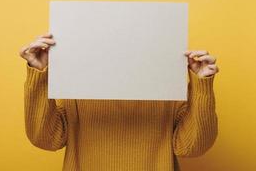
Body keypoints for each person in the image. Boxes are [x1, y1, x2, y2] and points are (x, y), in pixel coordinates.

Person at [19, 33, 219, 171]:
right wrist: (39, 73)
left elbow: (192, 147)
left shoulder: (166, 87)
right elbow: (45, 139)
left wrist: (202, 83)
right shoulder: (78, 86)